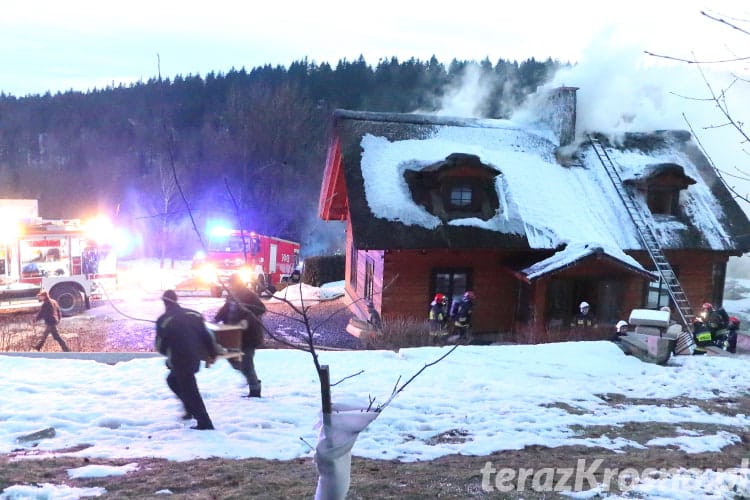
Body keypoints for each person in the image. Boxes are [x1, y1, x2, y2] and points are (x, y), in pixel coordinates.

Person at [155, 289, 216, 430]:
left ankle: (205, 422)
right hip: (195, 356)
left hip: (180, 359)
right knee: (172, 380)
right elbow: (207, 336)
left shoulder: (164, 320)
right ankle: (189, 409)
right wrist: (212, 353)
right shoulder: (194, 314)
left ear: (164, 303)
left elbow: (160, 346)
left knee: (190, 390)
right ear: (177, 300)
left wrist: (170, 356)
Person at [214, 273, 267, 398]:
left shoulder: (249, 295)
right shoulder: (232, 296)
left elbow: (261, 309)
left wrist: (247, 320)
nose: (230, 287)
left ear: (237, 284)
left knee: (247, 363)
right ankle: (246, 373)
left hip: (248, 336)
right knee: (231, 358)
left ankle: (255, 391)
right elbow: (225, 309)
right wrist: (216, 319)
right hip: (233, 335)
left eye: (231, 284)